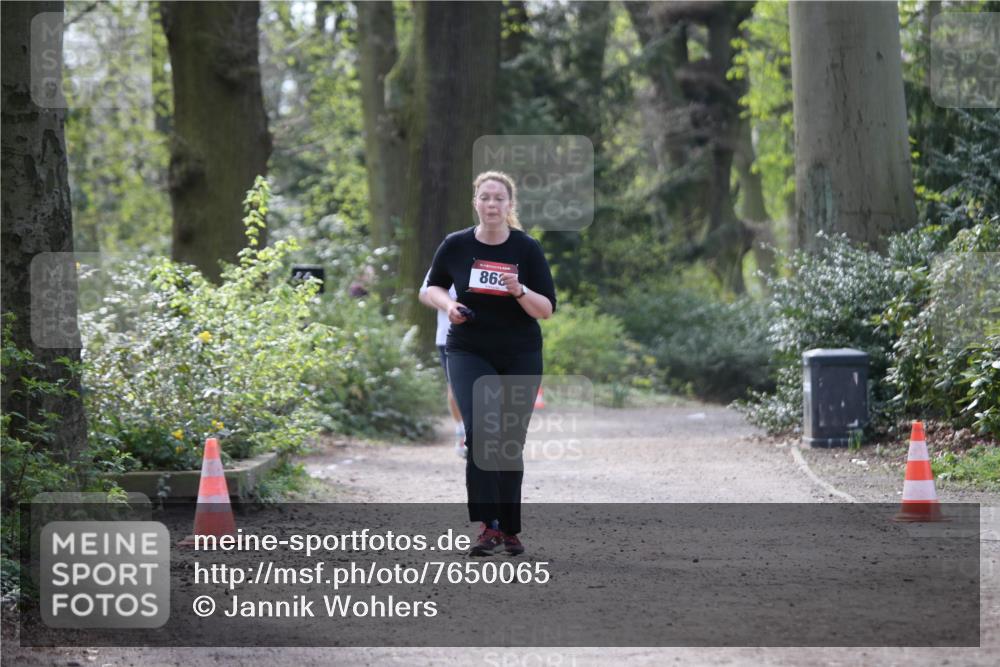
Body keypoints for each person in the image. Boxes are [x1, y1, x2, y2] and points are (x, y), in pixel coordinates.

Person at [423, 171, 556, 557]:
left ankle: (510, 529)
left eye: (499, 198)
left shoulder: (526, 249)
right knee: (481, 432)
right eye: (485, 197)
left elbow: (545, 309)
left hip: (519, 352)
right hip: (469, 349)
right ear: (476, 203)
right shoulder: (456, 245)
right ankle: (488, 526)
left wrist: (519, 290)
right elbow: (432, 287)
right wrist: (450, 305)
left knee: (509, 441)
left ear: (509, 205)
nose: (492, 204)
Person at [418, 270, 466, 457]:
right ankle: (461, 431)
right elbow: (424, 294)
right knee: (455, 386)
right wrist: (447, 305)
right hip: (448, 336)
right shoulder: (447, 257)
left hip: (485, 336)